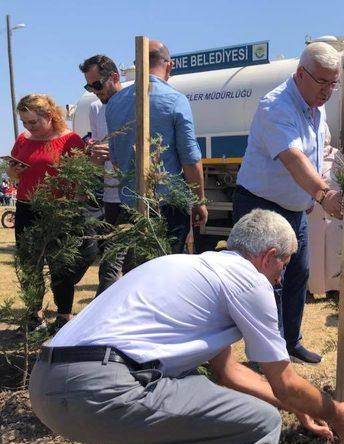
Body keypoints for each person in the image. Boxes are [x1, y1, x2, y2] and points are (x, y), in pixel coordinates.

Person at [28, 208, 344, 444]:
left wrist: (301, 407)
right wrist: (334, 411)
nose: (282, 277)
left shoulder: (193, 269)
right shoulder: (250, 281)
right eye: (283, 265)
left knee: (177, 399)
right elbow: (285, 382)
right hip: (102, 390)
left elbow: (229, 373)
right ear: (268, 256)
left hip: (47, 385)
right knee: (261, 426)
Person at [233, 42, 343, 364]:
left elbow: (316, 152)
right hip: (262, 207)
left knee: (298, 275)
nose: (328, 91)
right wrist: (323, 194)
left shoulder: (315, 107)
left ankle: (291, 343)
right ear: (300, 74)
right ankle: (269, 356)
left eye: (333, 83)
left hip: (295, 209)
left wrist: (310, 196)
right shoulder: (276, 107)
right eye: (322, 82)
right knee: (270, 282)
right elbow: (293, 159)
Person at [106, 39, 208, 255]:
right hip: (167, 206)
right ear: (169, 65)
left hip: (131, 205)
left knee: (138, 268)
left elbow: (115, 160)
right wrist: (199, 201)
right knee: (167, 269)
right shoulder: (175, 100)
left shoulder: (115, 104)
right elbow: (190, 159)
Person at [8, 94, 87, 330]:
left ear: (49, 115)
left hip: (59, 210)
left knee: (61, 264)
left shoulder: (71, 140)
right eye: (24, 122)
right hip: (26, 207)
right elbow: (14, 174)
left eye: (33, 122)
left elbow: (82, 180)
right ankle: (34, 314)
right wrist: (13, 173)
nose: (28, 127)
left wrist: (72, 202)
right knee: (30, 264)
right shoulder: (23, 139)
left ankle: (64, 316)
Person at [79, 54, 126, 295]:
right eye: (89, 86)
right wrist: (95, 157)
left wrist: (115, 152)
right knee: (110, 260)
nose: (94, 91)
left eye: (97, 85)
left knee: (128, 262)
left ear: (115, 78)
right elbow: (99, 157)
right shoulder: (96, 108)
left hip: (136, 194)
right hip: (110, 195)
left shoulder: (136, 101)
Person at [308, 124, 343, 296]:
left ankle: (334, 288)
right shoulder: (307, 154)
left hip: (333, 212)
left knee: (333, 251)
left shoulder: (338, 155)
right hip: (311, 212)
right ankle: (313, 288)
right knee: (312, 251)